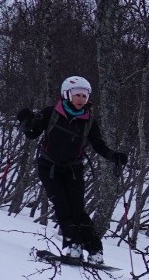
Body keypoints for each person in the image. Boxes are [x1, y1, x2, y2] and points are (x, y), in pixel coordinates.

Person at [16, 76, 127, 264]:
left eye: (85, 95)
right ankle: (72, 245)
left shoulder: (89, 121)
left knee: (78, 210)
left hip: (73, 171)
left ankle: (94, 250)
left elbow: (98, 145)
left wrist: (113, 155)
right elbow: (33, 134)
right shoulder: (51, 113)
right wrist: (26, 121)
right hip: (48, 168)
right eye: (77, 95)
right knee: (62, 207)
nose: (81, 99)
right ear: (67, 94)